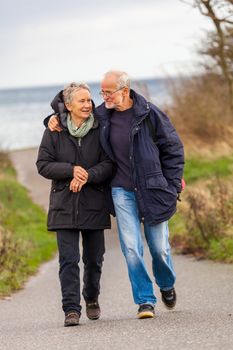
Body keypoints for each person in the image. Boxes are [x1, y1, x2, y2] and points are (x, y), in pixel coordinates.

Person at [46, 71, 184, 319]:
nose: (103, 98)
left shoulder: (150, 114)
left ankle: (166, 284)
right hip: (121, 190)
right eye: (102, 92)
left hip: (153, 188)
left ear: (125, 90)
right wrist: (52, 118)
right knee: (131, 247)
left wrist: (173, 185)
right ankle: (145, 301)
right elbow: (72, 113)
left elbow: (172, 149)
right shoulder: (103, 115)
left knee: (160, 248)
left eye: (108, 92)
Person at [36, 82, 114, 327]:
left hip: (93, 202)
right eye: (81, 101)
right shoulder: (54, 130)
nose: (88, 105)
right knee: (68, 260)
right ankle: (71, 309)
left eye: (89, 100)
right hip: (63, 204)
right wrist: (71, 170)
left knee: (94, 259)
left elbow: (109, 164)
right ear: (68, 106)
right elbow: (43, 165)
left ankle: (91, 297)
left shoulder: (100, 129)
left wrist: (87, 176)